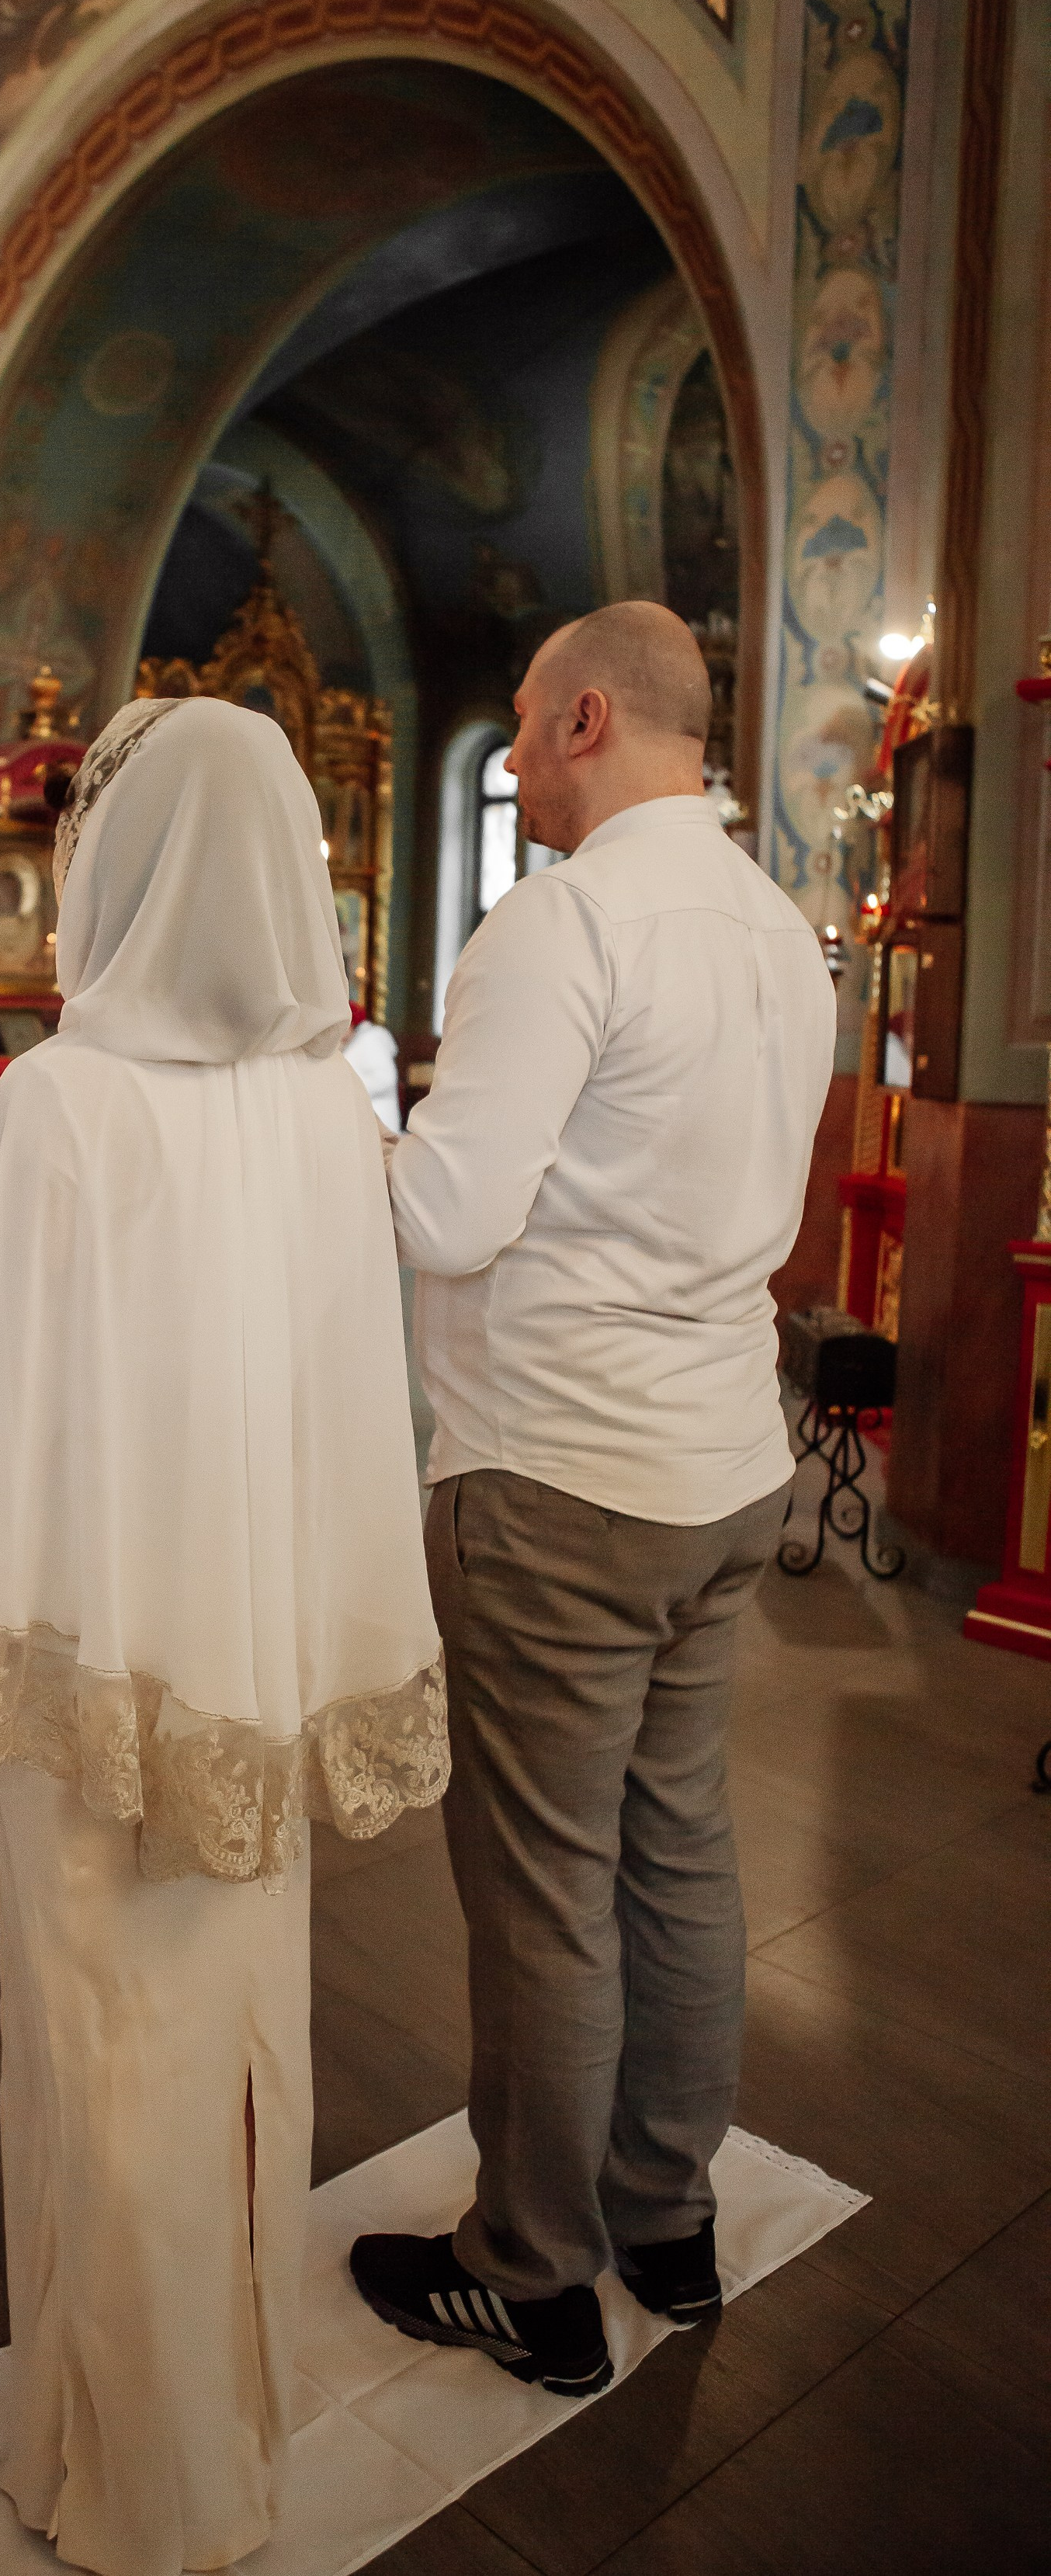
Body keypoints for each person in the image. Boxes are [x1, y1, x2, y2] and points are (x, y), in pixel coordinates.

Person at [0, 696, 448, 2576]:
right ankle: (230, 2447)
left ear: (123, 869)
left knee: (103, 2037)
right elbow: (370, 1393)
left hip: (107, 1659)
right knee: (236, 2036)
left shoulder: (55, 1103)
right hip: (258, 1667)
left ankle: (121, 2474)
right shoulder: (327, 1110)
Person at [351, 602, 836, 2396]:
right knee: (679, 1847)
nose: (517, 779)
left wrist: (328, 1135)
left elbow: (447, 1215)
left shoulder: (564, 924)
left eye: (525, 746)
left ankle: (530, 2269)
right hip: (721, 1463)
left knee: (548, 1886)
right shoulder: (782, 931)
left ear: (577, 716)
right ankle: (667, 2220)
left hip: (560, 1478)